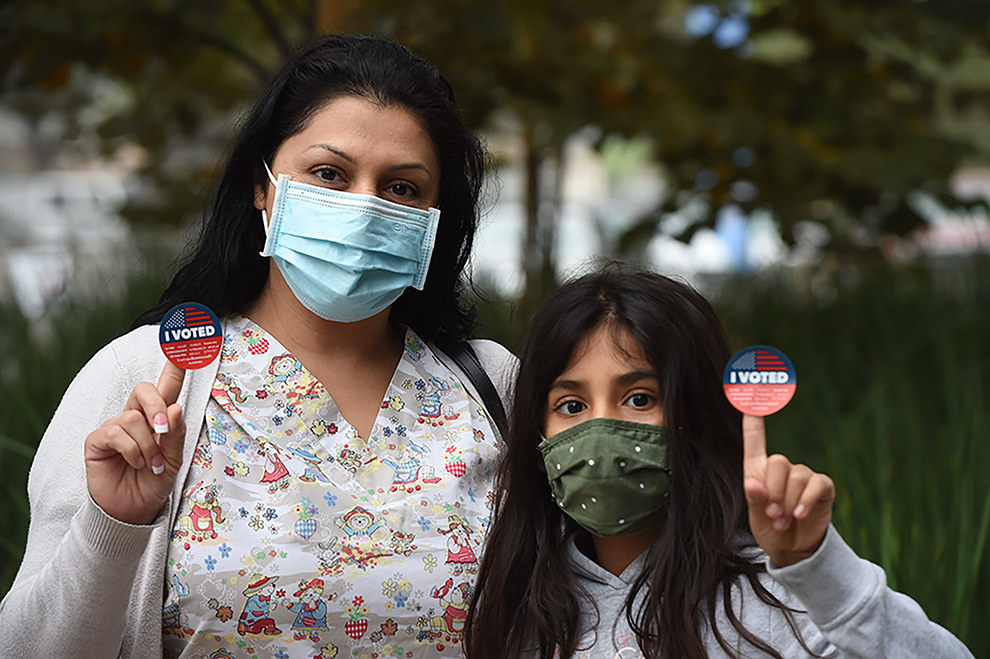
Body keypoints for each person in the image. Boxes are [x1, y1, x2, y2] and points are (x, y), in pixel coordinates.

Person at [0, 34, 516, 658]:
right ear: (264, 186)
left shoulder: (491, 387)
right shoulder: (144, 376)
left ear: (435, 220)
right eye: (329, 173)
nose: (363, 208)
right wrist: (115, 527)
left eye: (401, 187)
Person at [464, 267, 973, 659]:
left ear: (695, 413)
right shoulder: (516, 603)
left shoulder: (777, 599)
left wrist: (818, 569)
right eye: (571, 406)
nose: (600, 429)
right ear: (537, 430)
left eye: (639, 398)